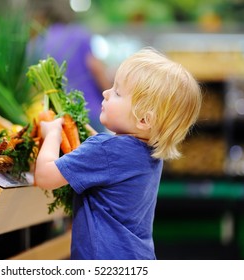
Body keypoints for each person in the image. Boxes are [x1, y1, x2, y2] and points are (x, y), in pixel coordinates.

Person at [35, 47, 202, 260]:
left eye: (116, 92)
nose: (105, 93)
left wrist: (52, 133)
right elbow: (110, 163)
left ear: (143, 120)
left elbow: (45, 176)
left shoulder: (106, 149)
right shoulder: (149, 154)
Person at [27, 0, 112, 132]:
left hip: (57, 116)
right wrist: (112, 96)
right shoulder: (79, 34)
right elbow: (96, 69)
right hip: (90, 111)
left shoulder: (37, 42)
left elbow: (34, 86)